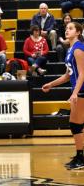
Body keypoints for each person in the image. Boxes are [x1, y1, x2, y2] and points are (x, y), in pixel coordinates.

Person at [42, 22, 84, 170]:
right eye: (66, 29)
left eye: (71, 28)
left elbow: (83, 74)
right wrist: (51, 84)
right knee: (77, 124)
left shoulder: (78, 49)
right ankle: (80, 155)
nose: (67, 30)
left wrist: (74, 93)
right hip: (78, 90)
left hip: (81, 90)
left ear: (78, 32)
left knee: (75, 124)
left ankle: (81, 157)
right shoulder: (70, 49)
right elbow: (68, 75)